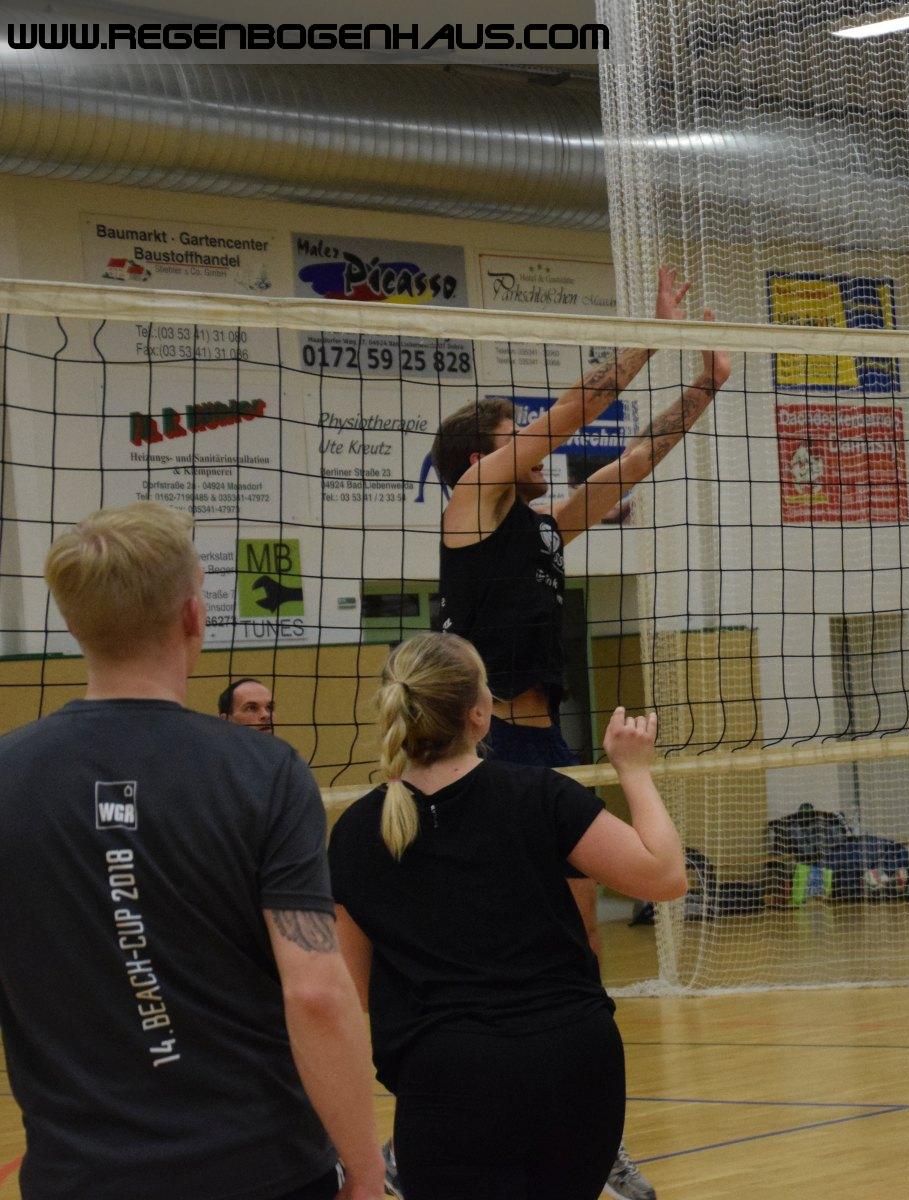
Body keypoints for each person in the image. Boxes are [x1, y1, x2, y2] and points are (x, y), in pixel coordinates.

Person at [429, 268, 727, 1200]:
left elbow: (633, 462)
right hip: (475, 764)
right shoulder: (470, 507)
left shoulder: (546, 529)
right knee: (489, 963)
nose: (532, 441)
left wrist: (705, 385)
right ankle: (437, 1137)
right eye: (512, 434)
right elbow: (573, 411)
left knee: (581, 958)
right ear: (480, 458)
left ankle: (595, 1144)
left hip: (545, 755)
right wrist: (649, 336)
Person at [0, 501, 383, 1199]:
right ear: (191, 615)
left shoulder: (8, 774)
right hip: (259, 1169)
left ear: (74, 624)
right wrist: (363, 1165)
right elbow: (316, 992)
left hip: (80, 1178)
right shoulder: (265, 771)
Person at [329, 633, 686, 1200]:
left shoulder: (354, 832)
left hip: (449, 1078)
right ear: (479, 714)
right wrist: (635, 770)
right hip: (575, 1065)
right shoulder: (542, 795)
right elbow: (665, 876)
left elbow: (356, 990)